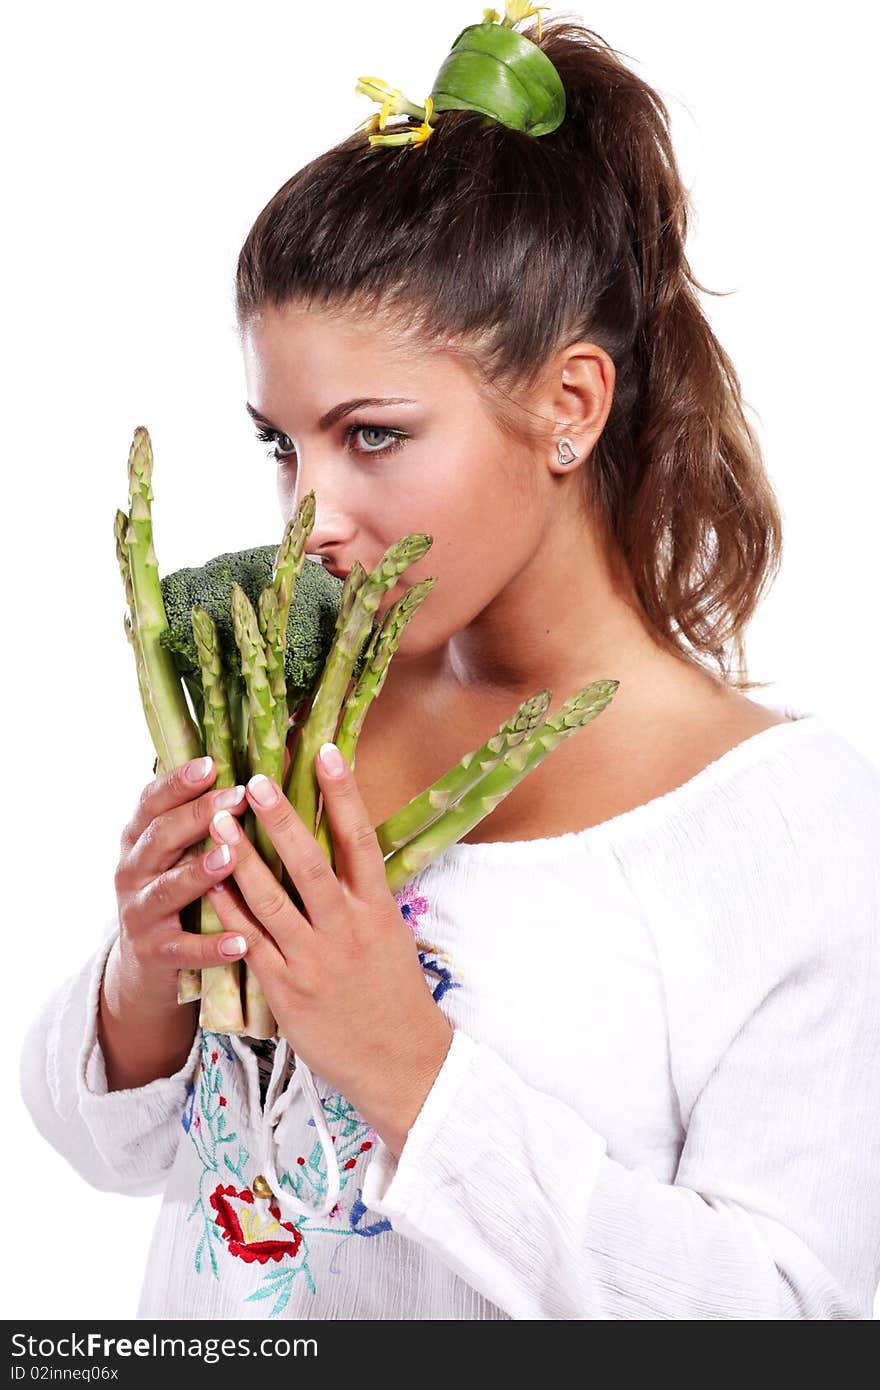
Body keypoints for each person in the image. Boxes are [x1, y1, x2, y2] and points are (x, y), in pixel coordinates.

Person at [20, 8, 880, 1320]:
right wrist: (142, 981)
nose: (308, 520)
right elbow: (115, 1153)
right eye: (280, 445)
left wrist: (411, 1066)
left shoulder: (785, 820)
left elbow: (794, 1317)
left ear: (569, 408)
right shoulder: (295, 703)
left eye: (371, 437)